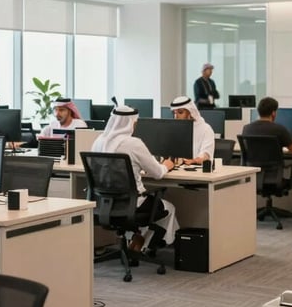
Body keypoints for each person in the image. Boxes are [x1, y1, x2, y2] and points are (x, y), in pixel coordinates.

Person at [92, 105, 178, 252]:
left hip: (102, 204)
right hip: (133, 204)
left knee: (141, 210)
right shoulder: (133, 143)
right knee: (169, 207)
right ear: (131, 123)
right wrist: (167, 165)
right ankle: (149, 246)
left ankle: (136, 240)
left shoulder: (99, 141)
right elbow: (157, 173)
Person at [169, 96, 215, 164]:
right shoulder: (174, 129)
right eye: (174, 113)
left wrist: (194, 161)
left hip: (197, 170)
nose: (176, 117)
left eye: (180, 112)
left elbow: (206, 155)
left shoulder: (206, 129)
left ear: (190, 112)